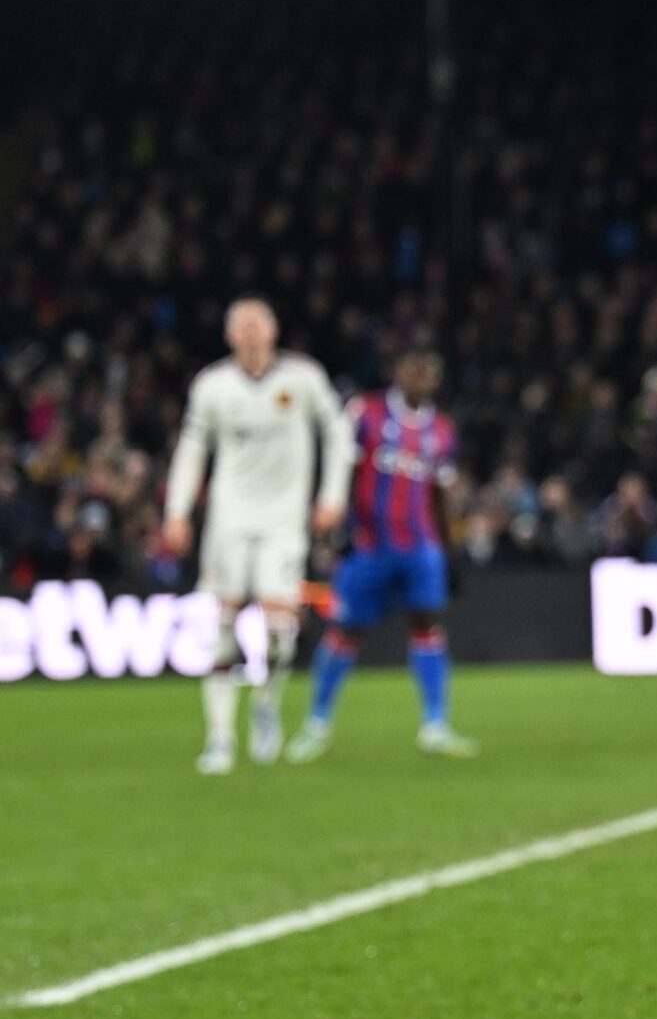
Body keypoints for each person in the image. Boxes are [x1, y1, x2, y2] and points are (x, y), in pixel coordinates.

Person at [162, 297, 353, 774]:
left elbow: (338, 433)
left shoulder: (303, 378)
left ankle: (266, 704)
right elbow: (191, 448)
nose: (249, 334)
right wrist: (177, 512)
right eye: (241, 327)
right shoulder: (212, 385)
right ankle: (220, 738)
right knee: (223, 628)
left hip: (283, 521)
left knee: (280, 633)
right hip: (229, 518)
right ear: (229, 336)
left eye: (257, 326)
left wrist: (332, 495)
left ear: (273, 331)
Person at [287, 348, 478, 761]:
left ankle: (436, 725)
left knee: (427, 626)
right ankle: (316, 725)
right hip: (368, 546)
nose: (422, 377)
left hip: (420, 547)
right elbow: (341, 470)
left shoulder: (442, 430)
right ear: (398, 372)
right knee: (345, 630)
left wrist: (449, 550)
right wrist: (335, 529)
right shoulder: (366, 413)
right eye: (415, 369)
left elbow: (439, 494)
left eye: (429, 372)